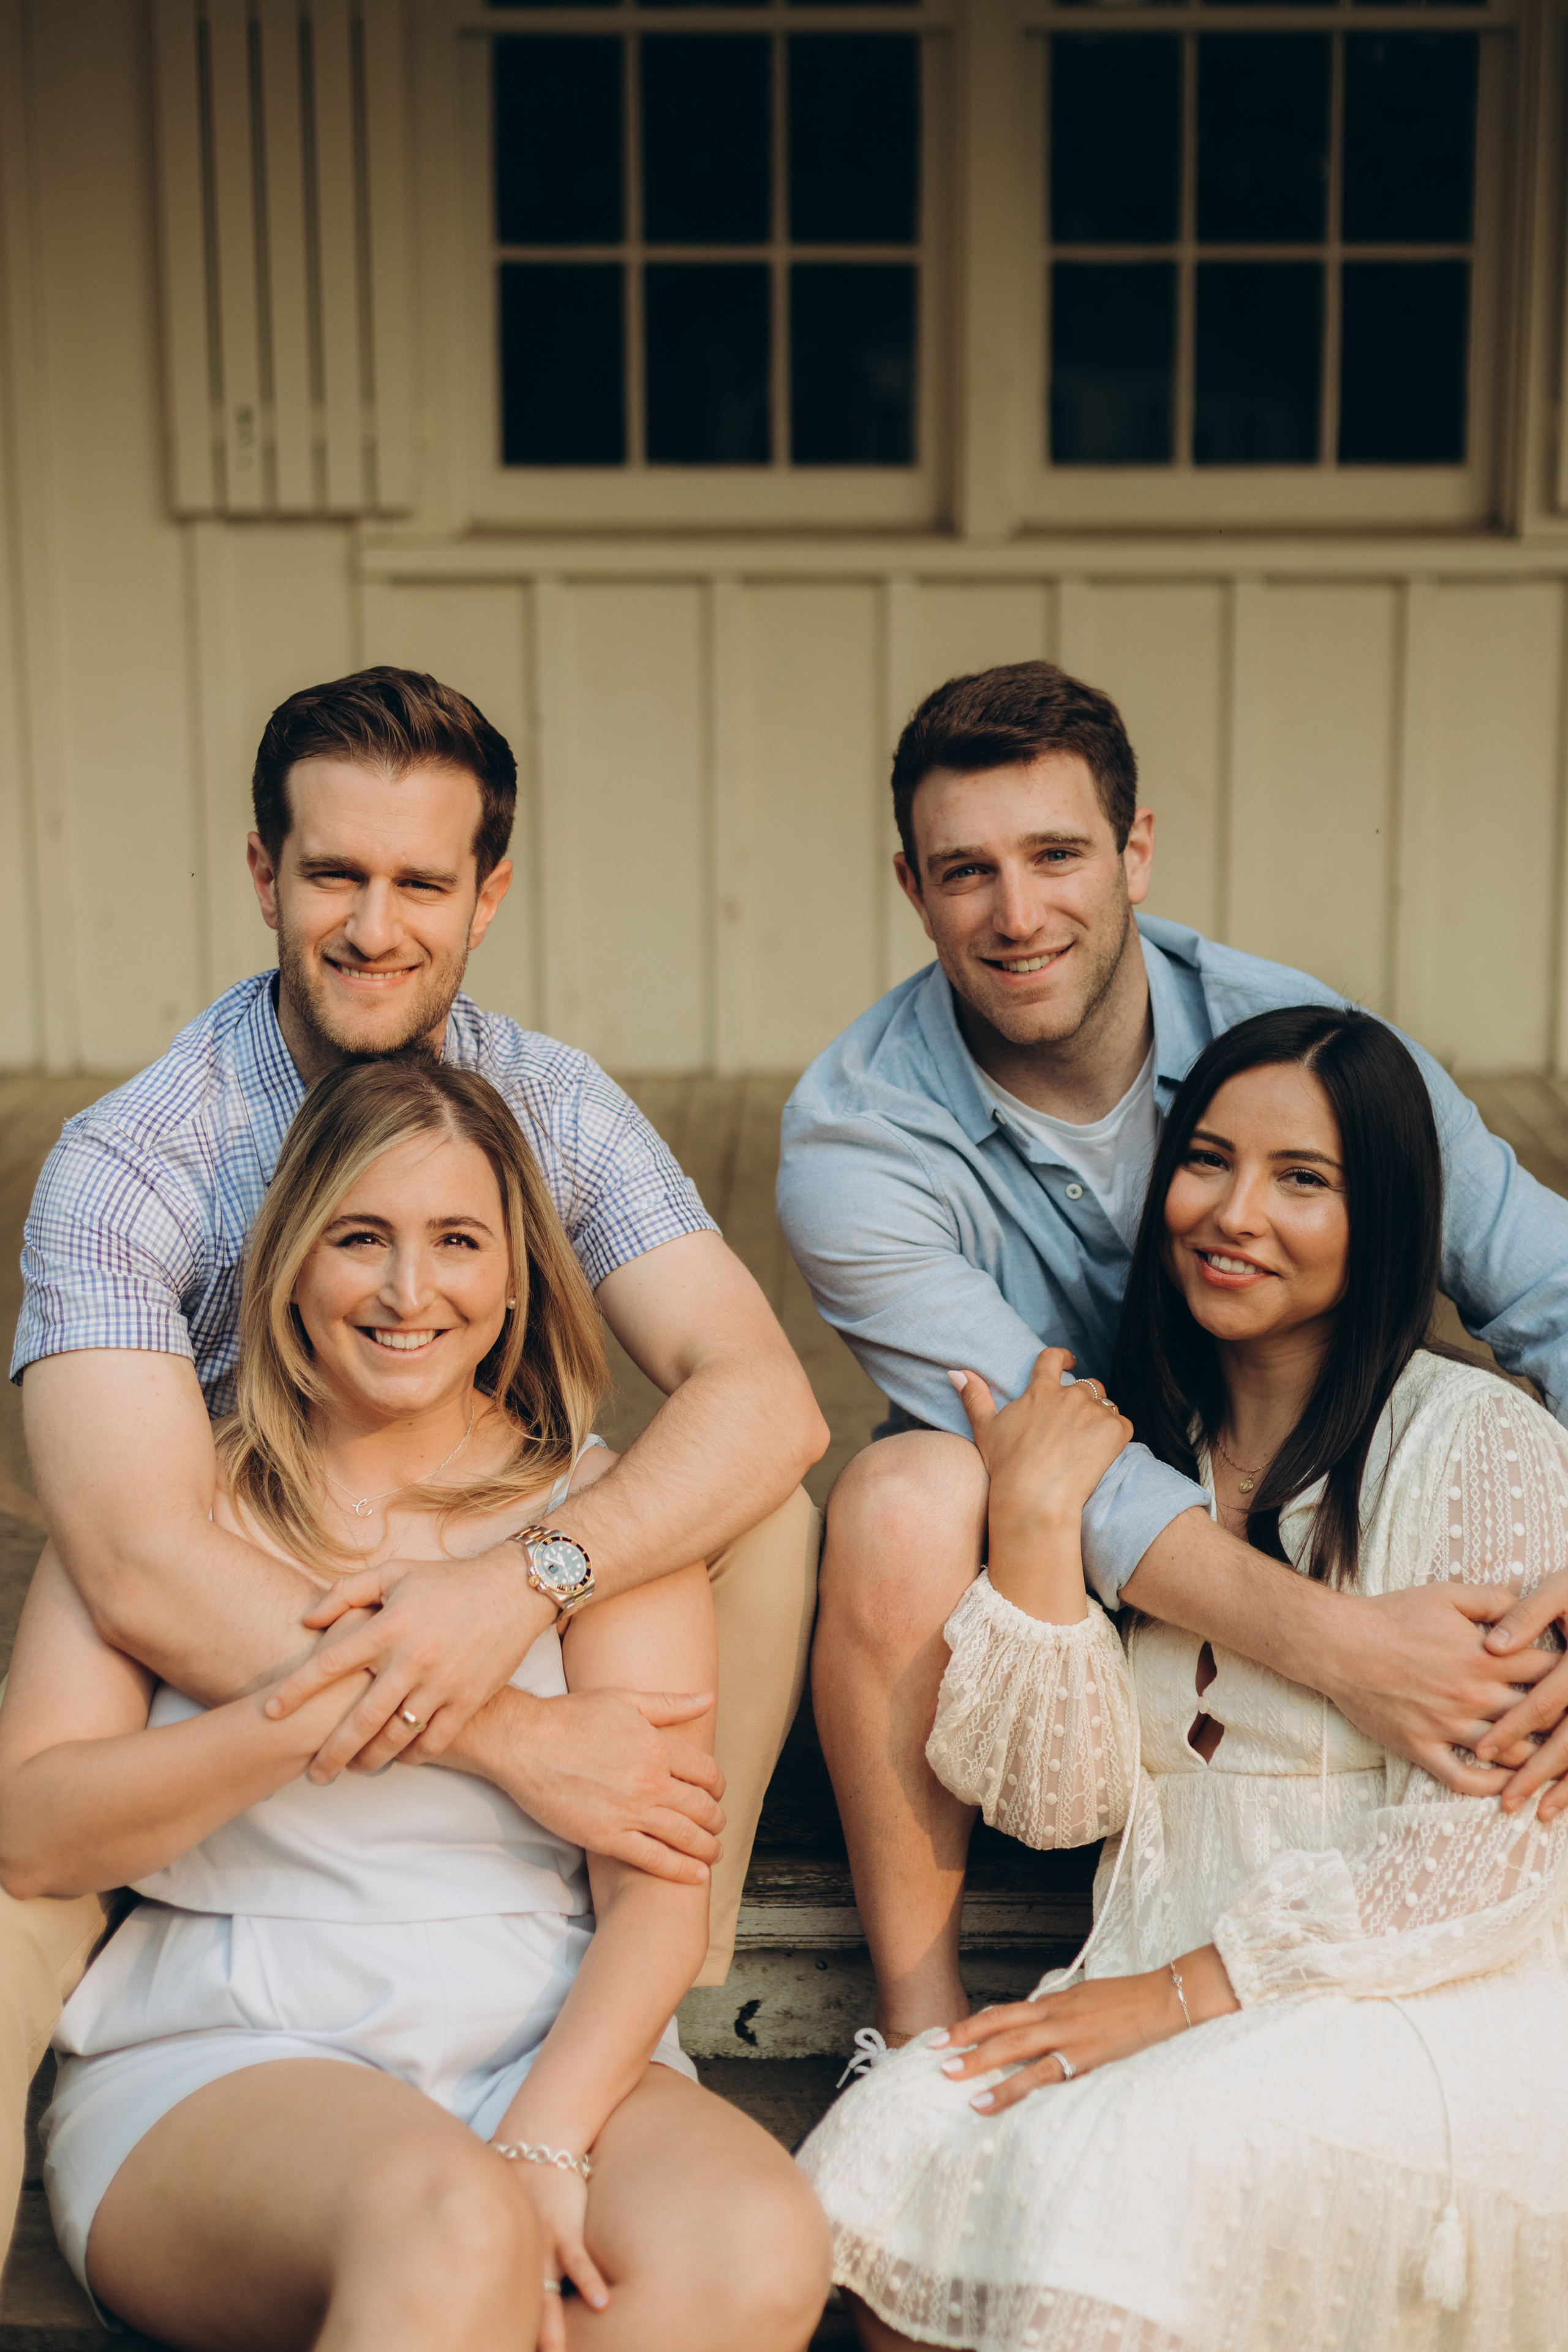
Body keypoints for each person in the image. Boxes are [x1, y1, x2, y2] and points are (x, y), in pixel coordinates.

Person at [2, 666, 828, 2250]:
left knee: (765, 1509)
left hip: (439, 1600)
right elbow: (136, 1564)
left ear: (484, 892)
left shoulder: (551, 1108)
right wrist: (517, 1735)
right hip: (218, 1691)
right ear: (264, 874)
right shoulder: (136, 1161)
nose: (376, 924)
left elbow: (763, 1394)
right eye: (335, 875)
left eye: (419, 882)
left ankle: (651, 1926)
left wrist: (525, 1576)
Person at [777, 658, 1568, 2048]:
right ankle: (910, 2032)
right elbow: (1071, 1464)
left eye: (1056, 855)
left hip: (1305, 1491)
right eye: (965, 872)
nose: (1016, 916)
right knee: (898, 1499)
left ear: (1134, 851)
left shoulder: (1300, 1039)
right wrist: (1349, 1653)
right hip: (1065, 1549)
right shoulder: (853, 1144)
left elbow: (1544, 1283)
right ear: (909, 886)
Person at [798, 1006, 1568, 2351]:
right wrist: (1038, 1537)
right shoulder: (1155, 1459)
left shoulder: (1475, 1441)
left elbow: (1482, 1863)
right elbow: (1059, 1809)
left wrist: (1174, 1998)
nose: (1234, 1213)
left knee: (1109, 2172)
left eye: (1302, 1180)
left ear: (1383, 1212)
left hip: (1423, 2000)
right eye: (1205, 1162)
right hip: (1166, 1969)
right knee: (893, 2137)